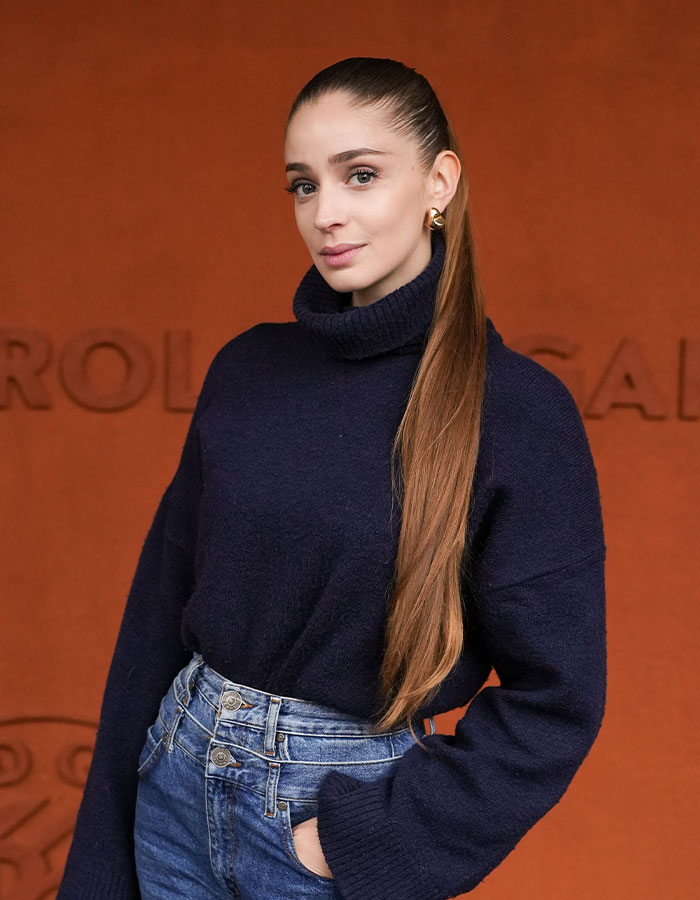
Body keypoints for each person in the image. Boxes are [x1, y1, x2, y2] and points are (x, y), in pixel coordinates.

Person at [56, 56, 607, 900]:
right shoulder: (248, 369)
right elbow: (156, 620)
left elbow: (558, 699)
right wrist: (100, 858)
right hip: (171, 789)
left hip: (324, 821)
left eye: (359, 175)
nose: (327, 214)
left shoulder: (519, 414)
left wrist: (356, 843)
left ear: (439, 182)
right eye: (302, 185)